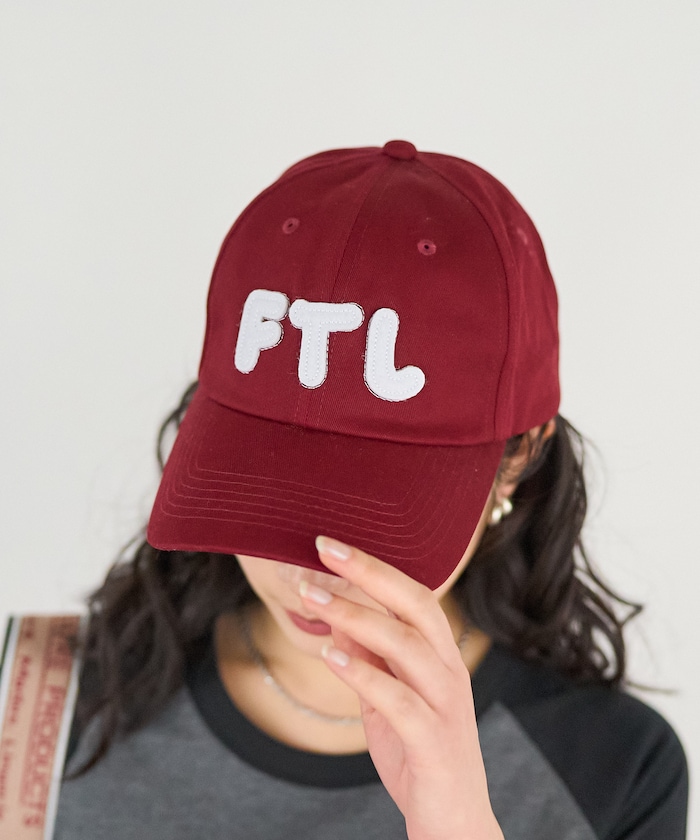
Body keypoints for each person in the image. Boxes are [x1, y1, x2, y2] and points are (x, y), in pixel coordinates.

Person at [53, 140, 687, 839]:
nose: (308, 576)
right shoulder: (48, 714)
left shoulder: (614, 772)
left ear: (520, 457)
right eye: (263, 494)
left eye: (367, 515)